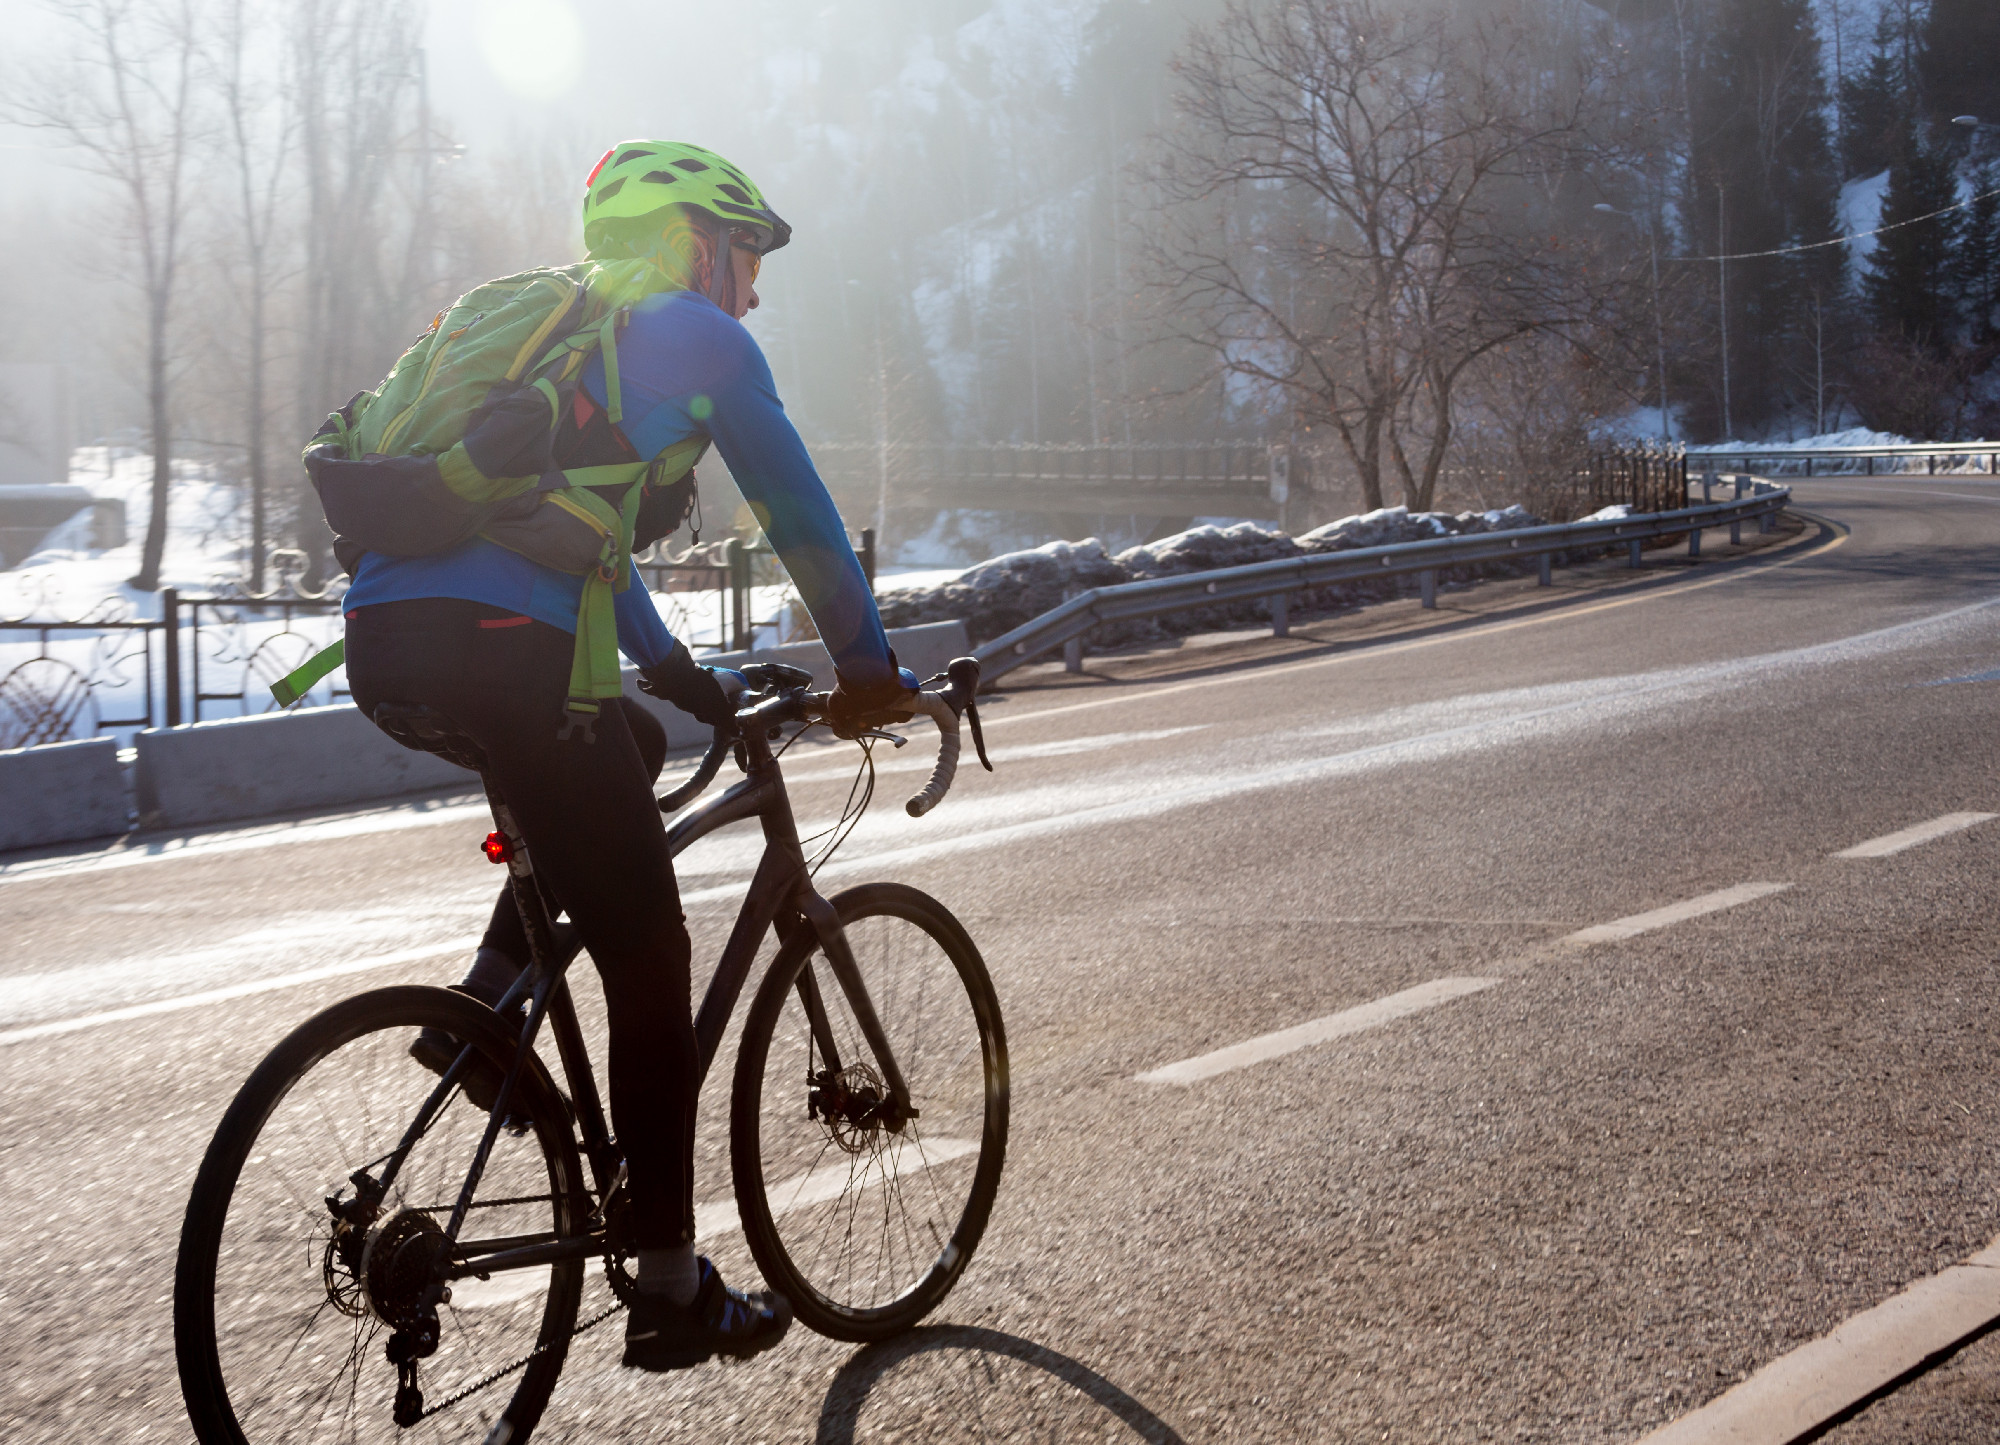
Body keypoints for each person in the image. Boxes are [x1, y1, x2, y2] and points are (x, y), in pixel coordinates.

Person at [337, 140, 917, 1372]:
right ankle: (668, 1285)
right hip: (507, 652)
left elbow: (575, 536)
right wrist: (866, 664)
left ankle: (487, 1007)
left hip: (386, 640)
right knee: (650, 955)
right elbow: (797, 510)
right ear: (695, 245)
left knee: (632, 738)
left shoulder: (556, 337)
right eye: (745, 258)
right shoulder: (696, 339)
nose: (752, 291)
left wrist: (675, 673)